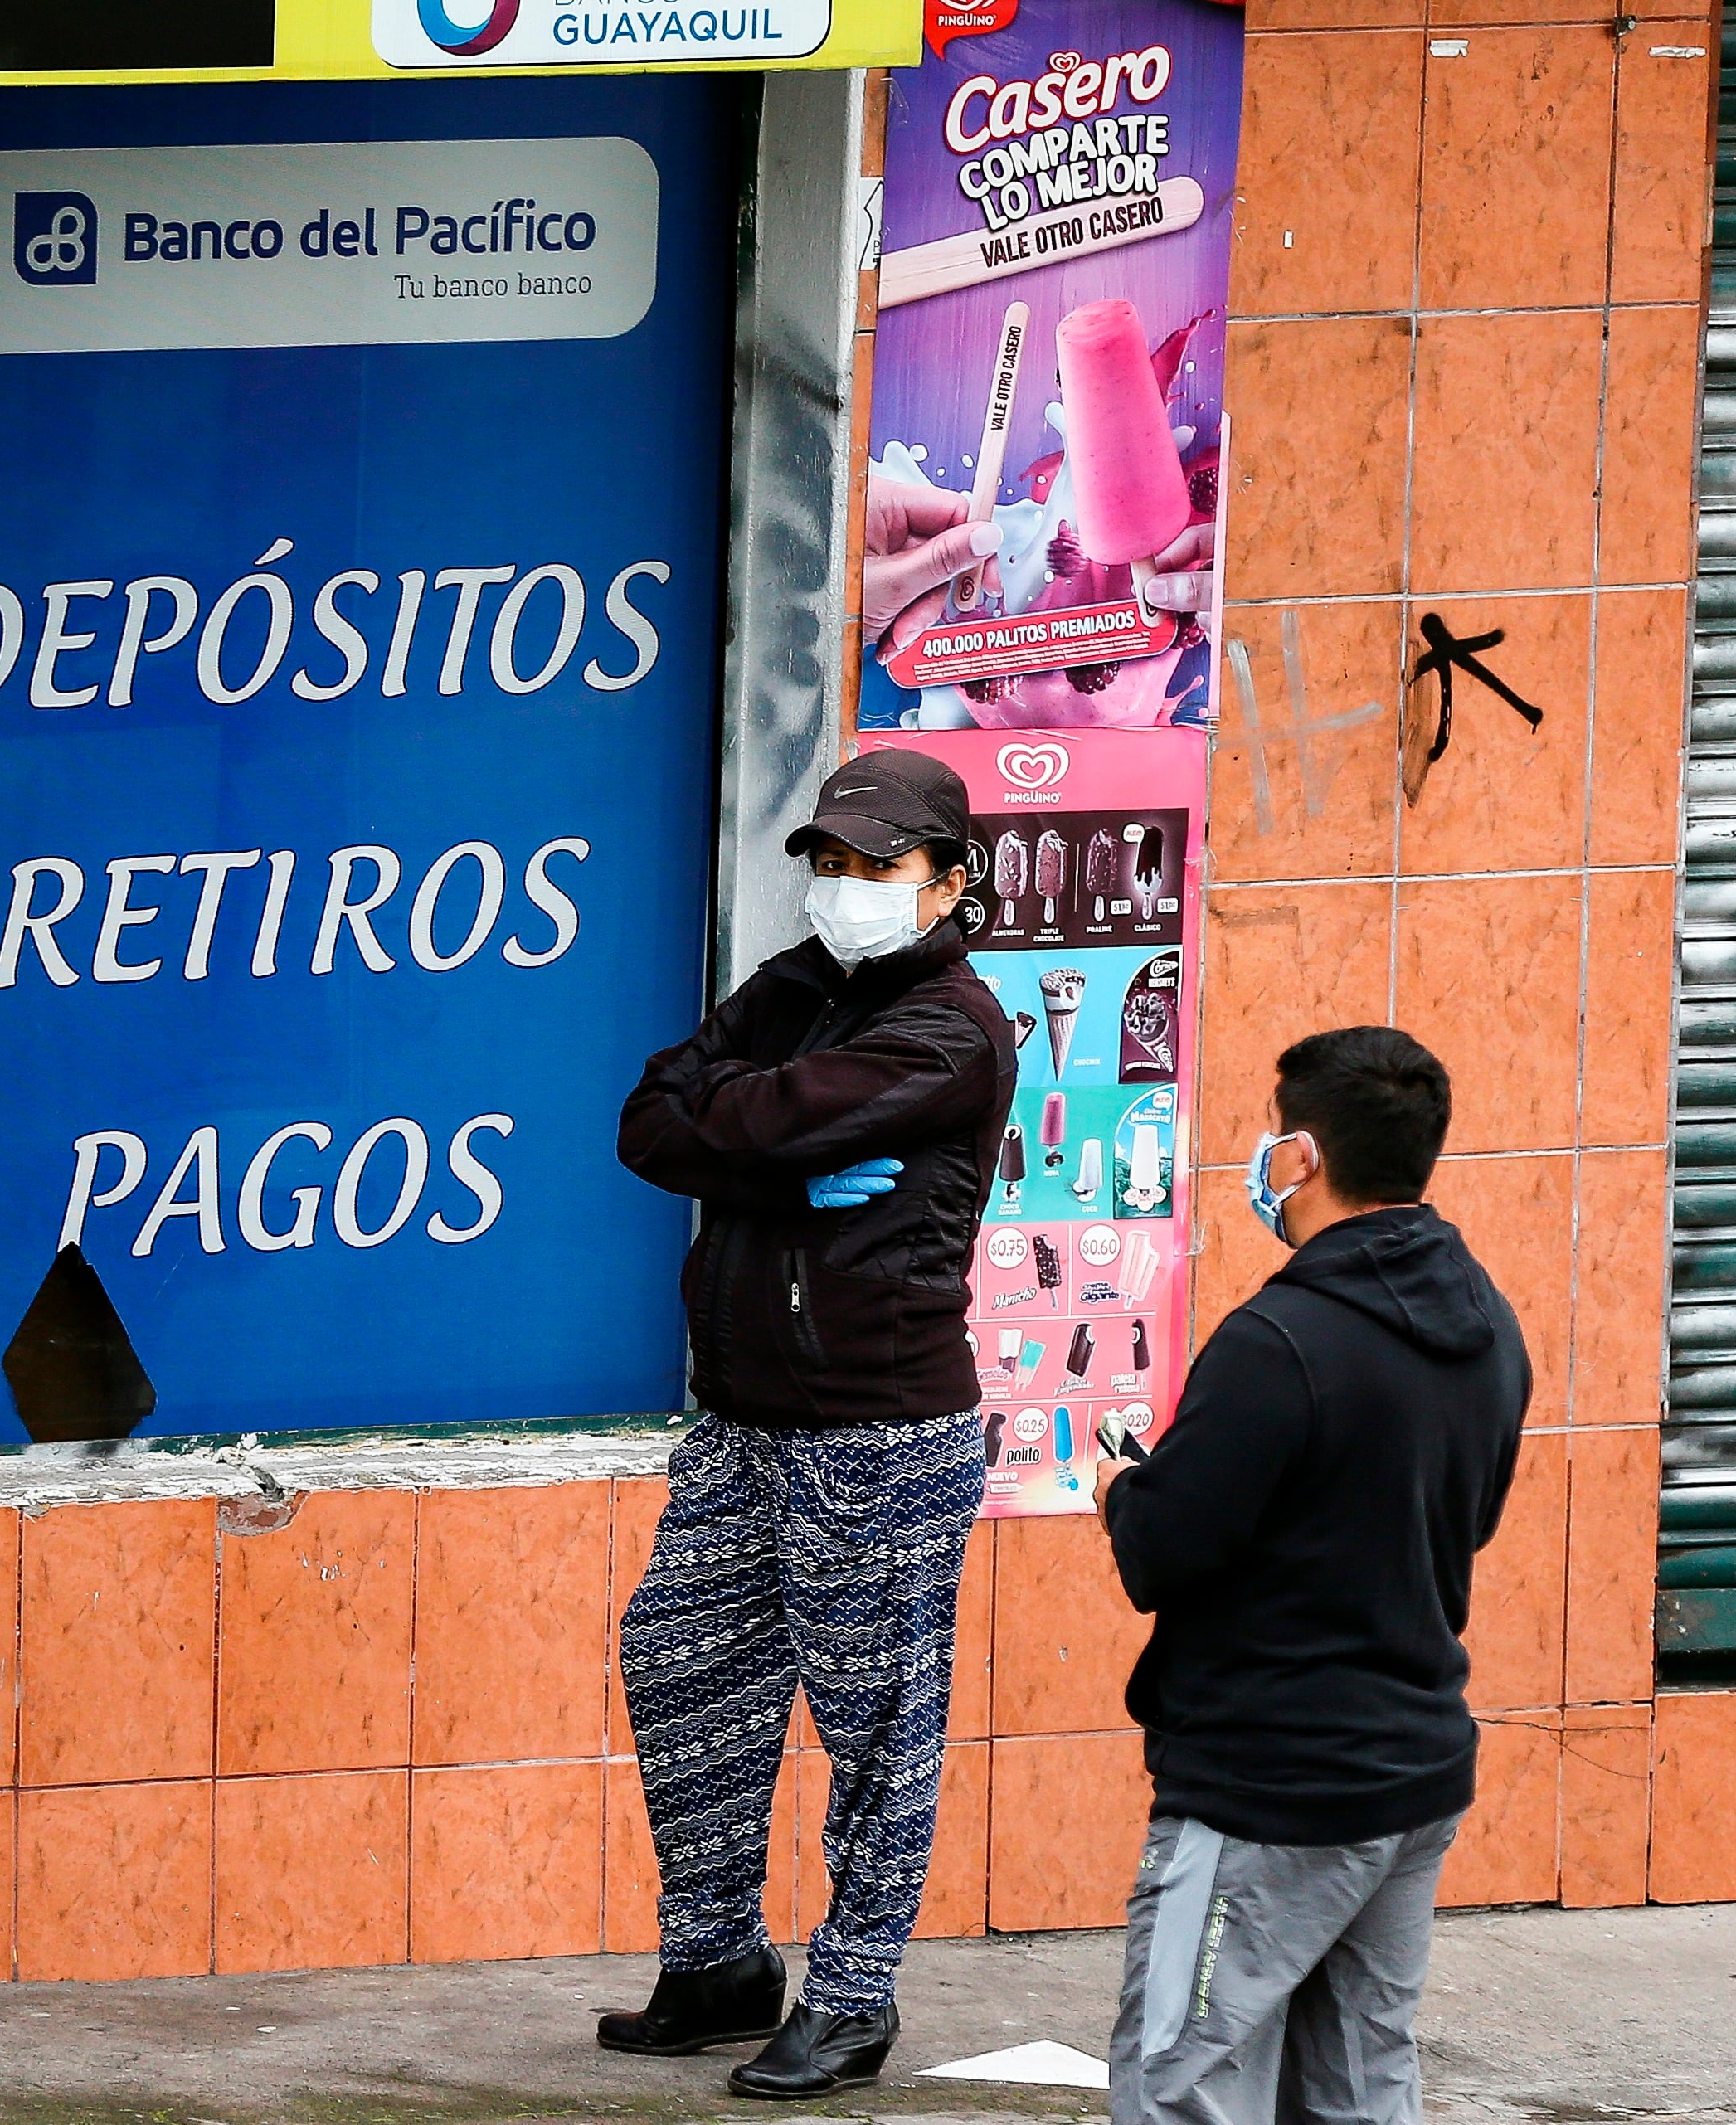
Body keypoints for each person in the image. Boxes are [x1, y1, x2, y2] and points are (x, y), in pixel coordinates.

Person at [604, 746, 1011, 2099]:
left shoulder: (949, 1027)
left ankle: (851, 1999)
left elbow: (753, 1120)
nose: (842, 889)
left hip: (871, 1431)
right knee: (674, 1663)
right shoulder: (796, 989)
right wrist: (767, 1176)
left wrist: (743, 1157)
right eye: (827, 863)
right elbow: (648, 1120)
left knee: (874, 1729)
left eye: (875, 866)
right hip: (737, 1423)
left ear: (948, 880)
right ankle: (716, 1959)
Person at [1095, 1028, 1526, 2125]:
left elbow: (1164, 1547)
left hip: (1269, 1788)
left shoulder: (1279, 1338)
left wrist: (1118, 1487)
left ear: (1300, 1156)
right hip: (1411, 1771)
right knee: (1358, 2089)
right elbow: (1461, 1518)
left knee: (1180, 2080)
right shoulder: (1486, 1320)